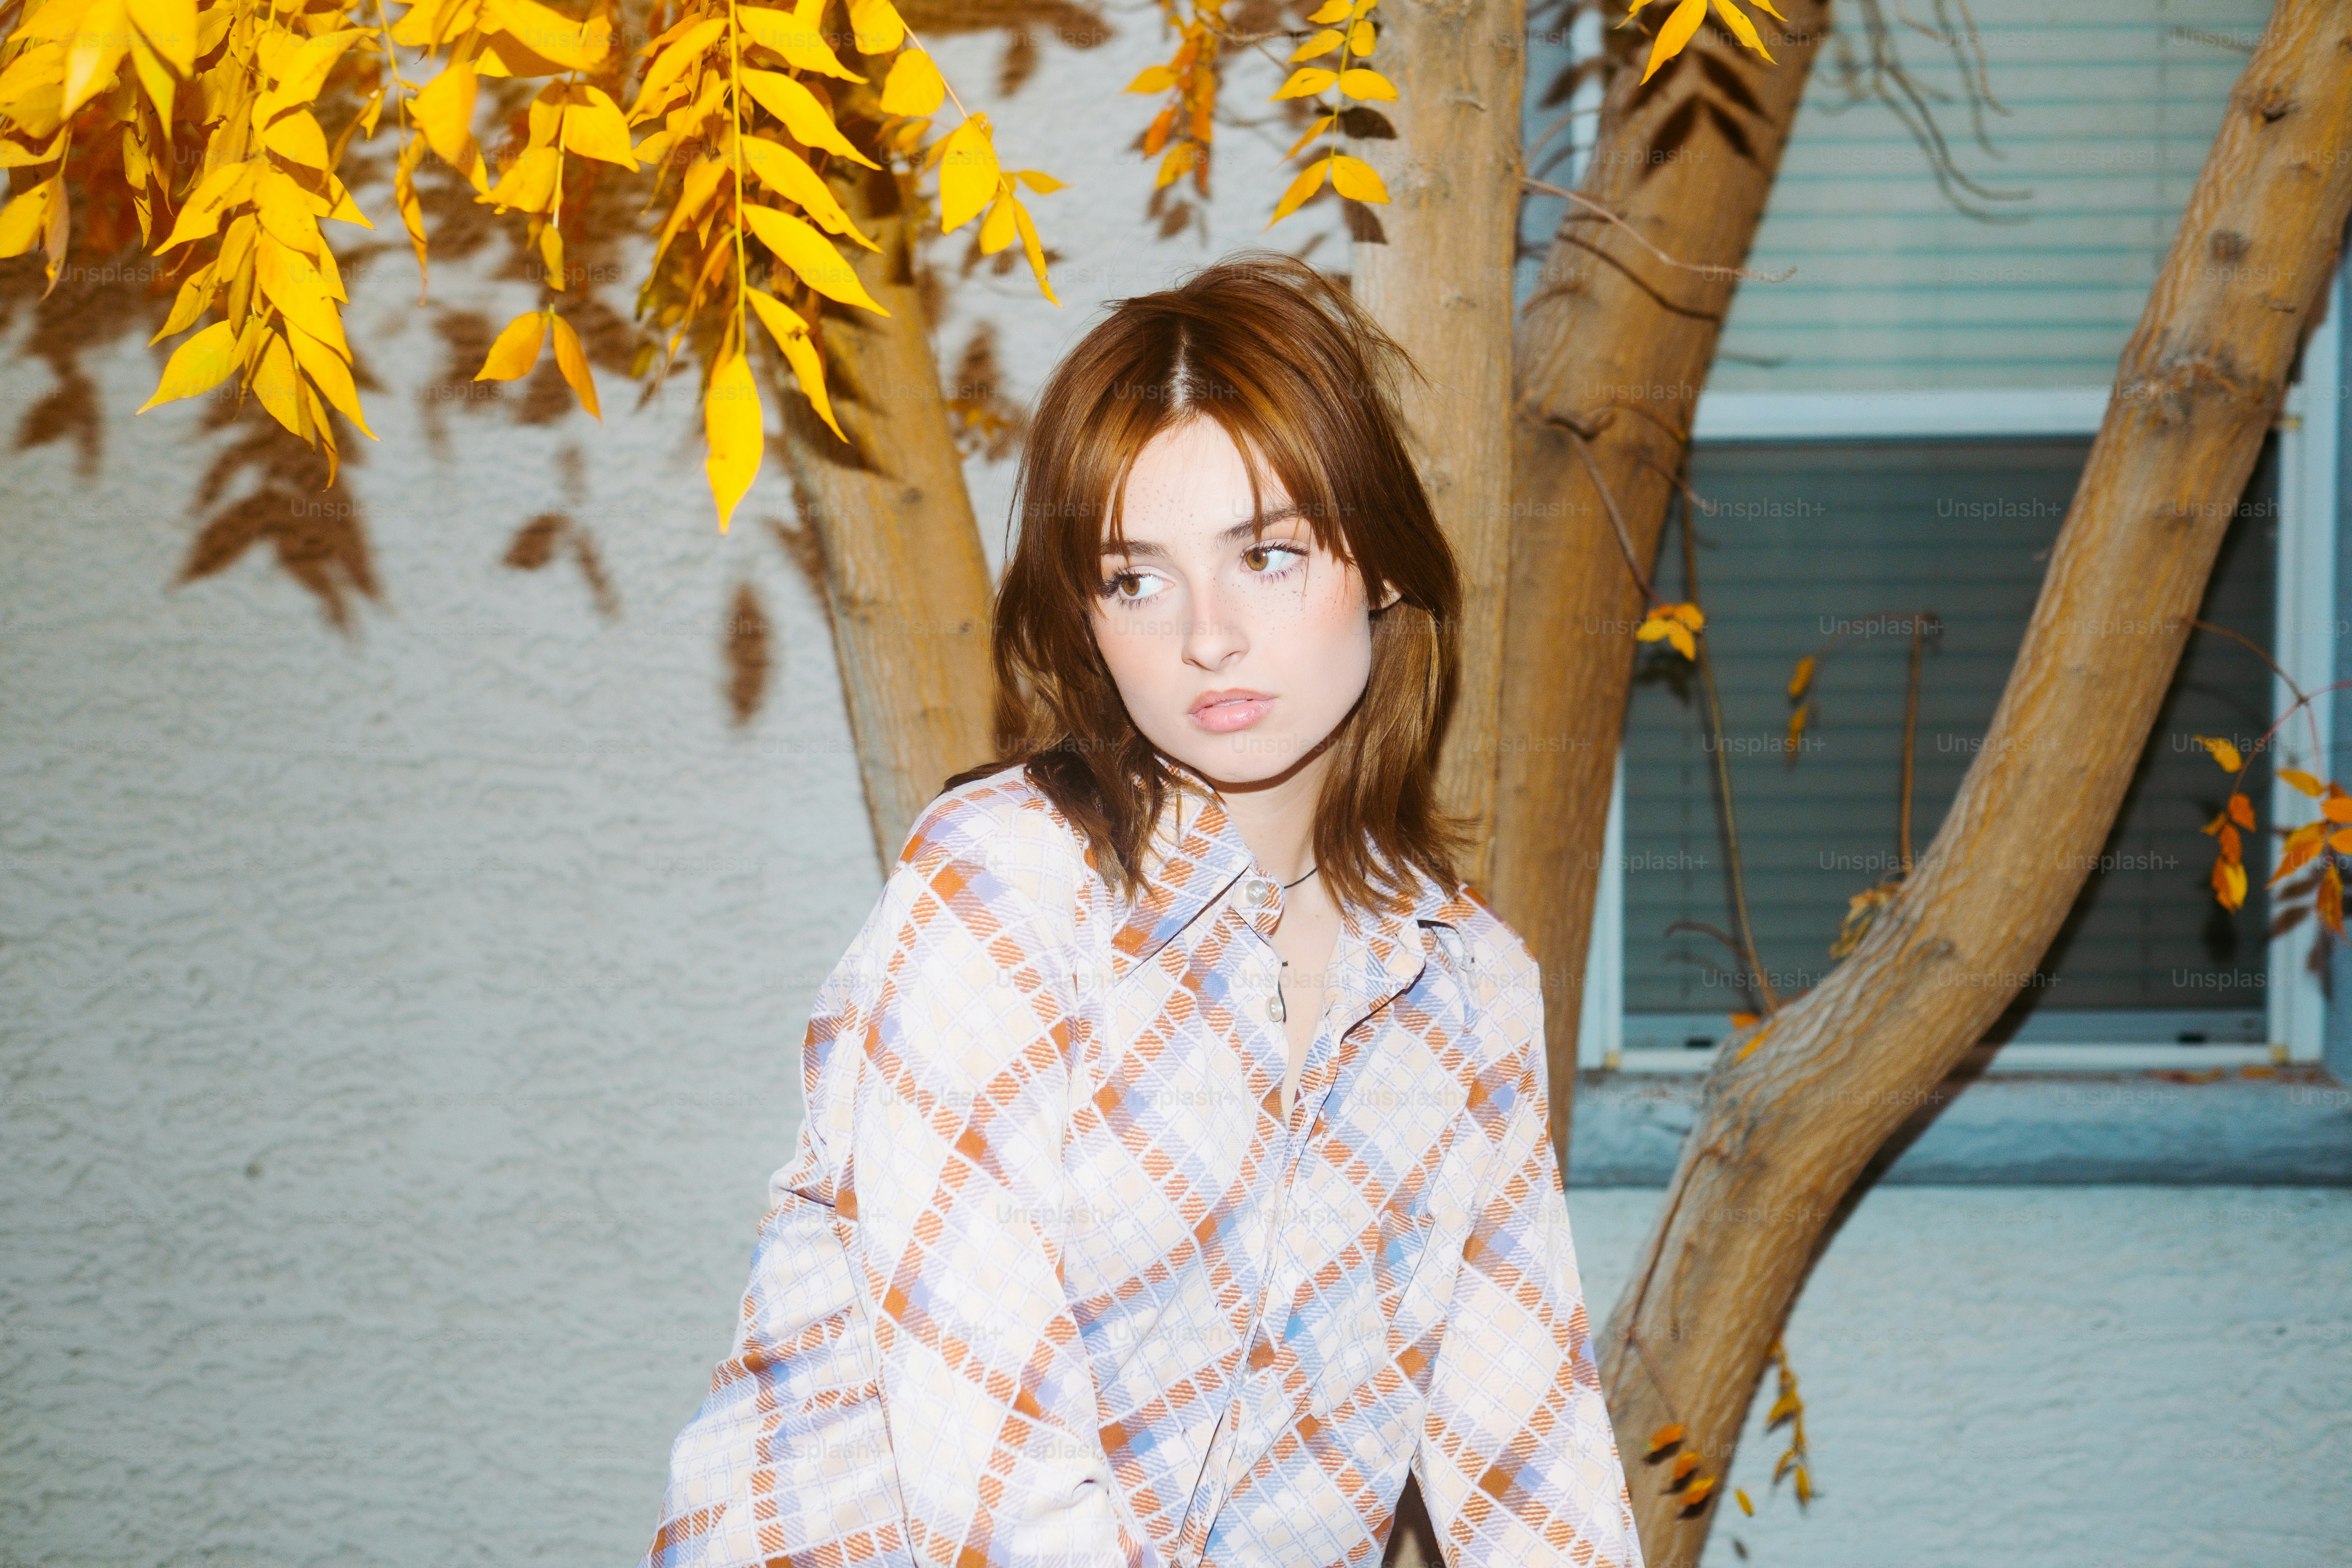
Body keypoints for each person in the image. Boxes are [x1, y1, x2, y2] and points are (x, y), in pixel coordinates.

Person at [640, 254, 1644, 1568]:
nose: (1207, 636)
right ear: (1088, 620)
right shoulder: (1003, 891)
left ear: (1383, 569)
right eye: (1137, 580)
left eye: (1268, 555)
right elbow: (989, 1485)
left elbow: (1537, 1472)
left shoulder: (1466, 990)